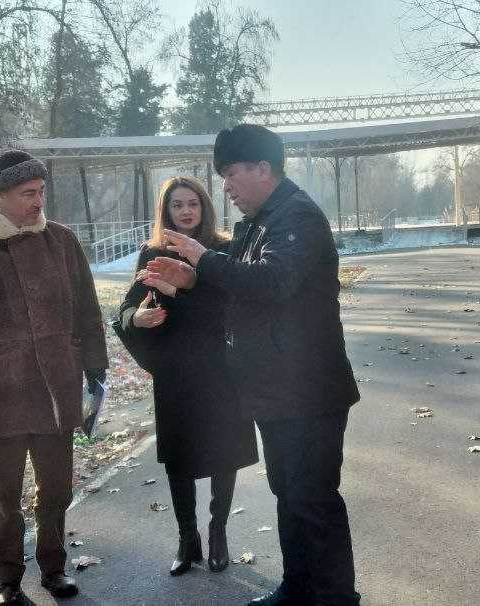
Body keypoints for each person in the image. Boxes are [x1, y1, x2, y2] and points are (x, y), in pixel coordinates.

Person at [145, 124, 362, 606]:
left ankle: (335, 597)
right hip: (277, 390)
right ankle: (300, 587)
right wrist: (193, 279)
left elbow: (273, 282)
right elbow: (241, 295)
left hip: (309, 390)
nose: (226, 185)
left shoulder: (296, 216)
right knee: (290, 494)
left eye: (231, 173)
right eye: (221, 175)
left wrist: (204, 259)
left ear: (262, 168)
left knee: (313, 499)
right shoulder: (262, 222)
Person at [0, 150, 108, 606]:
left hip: (56, 387)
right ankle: (8, 581)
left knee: (57, 488)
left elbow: (87, 310)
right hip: (0, 391)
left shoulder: (63, 241)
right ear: (0, 196)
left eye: (41, 191)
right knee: (4, 498)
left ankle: (54, 568)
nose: (37, 201)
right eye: (27, 193)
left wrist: (94, 364)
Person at [116, 176, 258, 577]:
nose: (186, 211)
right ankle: (187, 538)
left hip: (219, 370)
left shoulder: (221, 250)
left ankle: (218, 533)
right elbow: (124, 309)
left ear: (204, 207)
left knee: (222, 452)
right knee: (178, 458)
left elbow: (226, 313)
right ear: (166, 211)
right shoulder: (152, 252)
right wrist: (138, 317)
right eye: (177, 205)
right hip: (175, 372)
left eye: (192, 203)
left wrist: (179, 293)